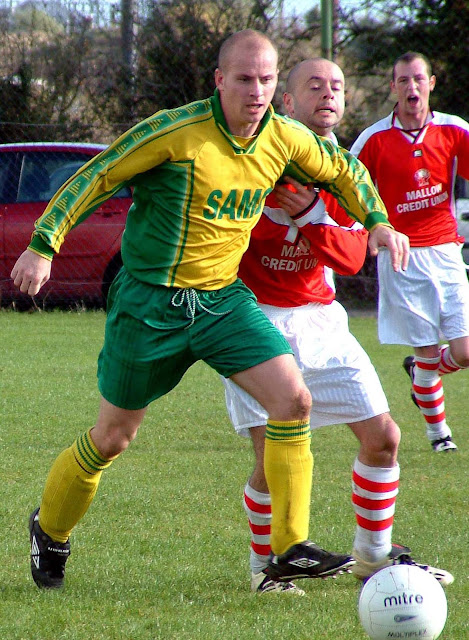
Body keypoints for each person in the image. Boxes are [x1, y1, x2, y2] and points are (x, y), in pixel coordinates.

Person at [11, 30, 409, 591]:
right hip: (150, 304)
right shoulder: (176, 131)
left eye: (266, 80)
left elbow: (345, 171)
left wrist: (378, 222)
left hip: (222, 301)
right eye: (244, 79)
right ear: (220, 80)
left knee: (293, 400)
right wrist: (43, 243)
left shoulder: (285, 137)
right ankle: (50, 529)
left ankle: (289, 547)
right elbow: (100, 174)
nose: (256, 92)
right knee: (113, 437)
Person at [222, 57, 453, 595]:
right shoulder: (254, 159)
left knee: (384, 438)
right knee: (270, 459)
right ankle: (265, 570)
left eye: (338, 87)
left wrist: (310, 215)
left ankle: (372, 557)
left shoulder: (345, 169)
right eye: (315, 85)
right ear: (287, 101)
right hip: (255, 319)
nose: (328, 94)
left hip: (323, 318)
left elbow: (351, 257)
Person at [351, 51, 469, 453]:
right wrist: (365, 230)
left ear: (431, 83)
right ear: (393, 88)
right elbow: (347, 185)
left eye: (418, 78)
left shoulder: (454, 129)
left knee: (463, 352)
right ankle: (440, 436)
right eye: (403, 80)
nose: (411, 86)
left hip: (447, 250)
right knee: (427, 353)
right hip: (402, 256)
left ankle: (421, 372)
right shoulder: (373, 139)